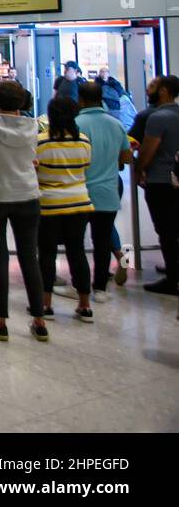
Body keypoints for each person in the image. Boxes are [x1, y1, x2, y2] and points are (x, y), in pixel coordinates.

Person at [0, 80, 47, 342]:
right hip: (27, 194)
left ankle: (0, 322)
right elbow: (33, 156)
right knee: (29, 256)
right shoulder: (33, 127)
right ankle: (39, 320)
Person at [35, 95, 95, 323]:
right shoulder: (83, 140)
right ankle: (84, 304)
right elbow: (85, 166)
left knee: (47, 253)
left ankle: (45, 303)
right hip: (79, 202)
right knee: (77, 252)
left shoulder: (40, 141)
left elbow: (35, 169)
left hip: (48, 203)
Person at [75, 80, 133, 300]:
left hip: (79, 190)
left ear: (80, 100)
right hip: (109, 188)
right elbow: (126, 157)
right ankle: (100, 287)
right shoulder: (116, 124)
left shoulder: (76, 123)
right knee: (103, 238)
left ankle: (79, 286)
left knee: (76, 241)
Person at [134, 74, 179, 295]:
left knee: (166, 230)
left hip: (161, 181)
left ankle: (173, 279)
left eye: (152, 86)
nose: (147, 90)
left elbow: (147, 151)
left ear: (163, 91)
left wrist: (139, 168)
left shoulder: (157, 118)